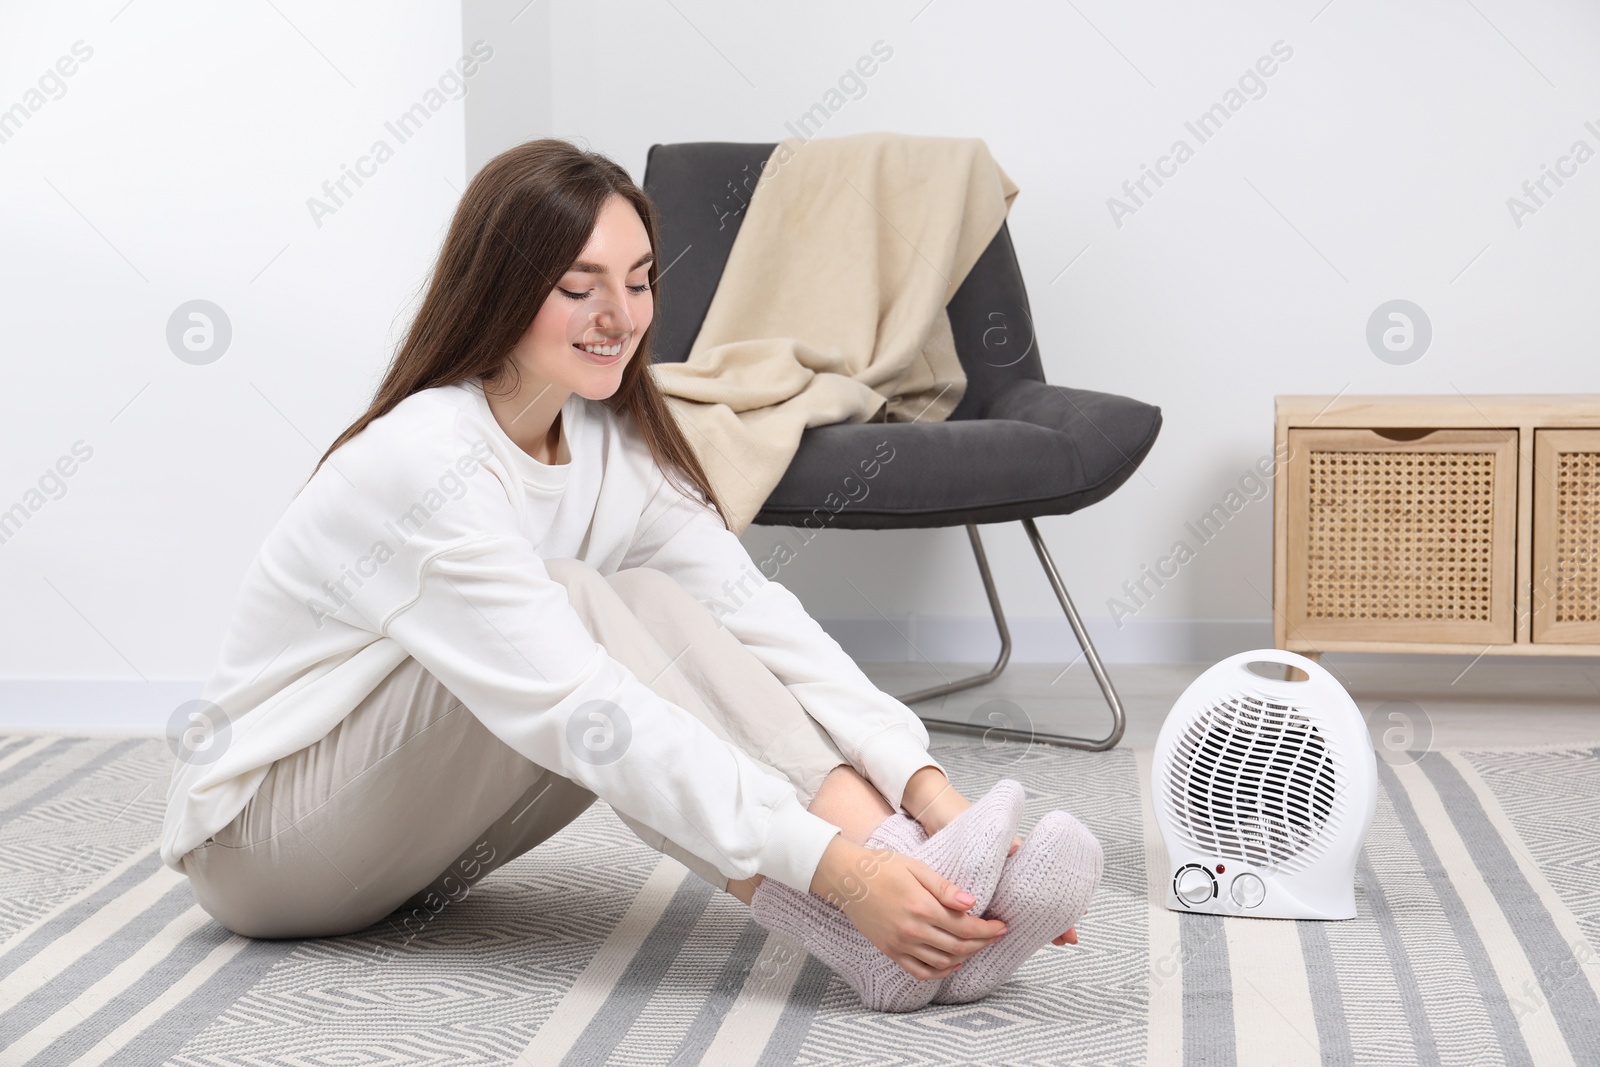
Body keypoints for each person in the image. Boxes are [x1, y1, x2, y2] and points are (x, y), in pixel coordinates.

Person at [159, 138, 1101, 1013]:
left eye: (641, 281)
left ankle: (919, 890)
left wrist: (934, 794)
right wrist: (839, 873)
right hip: (266, 852)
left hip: (414, 841)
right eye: (580, 287)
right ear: (500, 289)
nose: (622, 316)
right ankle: (878, 878)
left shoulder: (616, 445)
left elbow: (760, 620)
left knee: (661, 600)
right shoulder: (428, 462)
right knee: (576, 610)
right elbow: (580, 710)